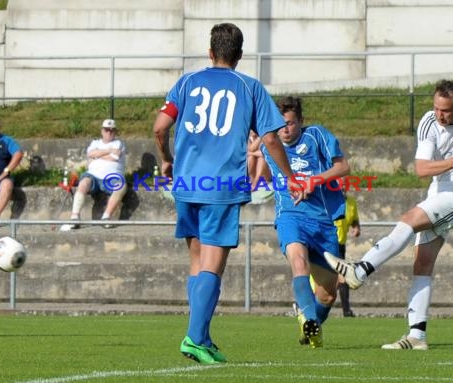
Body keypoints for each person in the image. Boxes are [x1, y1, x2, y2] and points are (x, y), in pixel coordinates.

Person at [153, 23, 302, 364]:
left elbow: (160, 128)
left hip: (187, 183)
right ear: (240, 55)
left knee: (196, 261)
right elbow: (270, 139)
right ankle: (194, 338)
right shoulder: (249, 86)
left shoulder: (187, 82)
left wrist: (166, 160)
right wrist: (290, 176)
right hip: (222, 184)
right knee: (213, 266)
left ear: (210, 52)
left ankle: (202, 337)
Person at [325, 79, 453, 350]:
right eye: (436, 108)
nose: (440, 115)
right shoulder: (429, 123)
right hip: (438, 192)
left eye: (446, 111)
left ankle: (361, 270)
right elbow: (421, 169)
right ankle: (417, 336)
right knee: (422, 264)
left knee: (409, 219)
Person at [262, 95, 350, 348]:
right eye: (280, 125)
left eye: (290, 123)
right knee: (298, 263)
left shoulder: (317, 136)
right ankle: (309, 318)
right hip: (290, 216)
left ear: (301, 121)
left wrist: (316, 180)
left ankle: (311, 327)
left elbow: (343, 167)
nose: (285, 130)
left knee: (328, 292)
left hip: (323, 221)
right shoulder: (270, 144)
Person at [60, 119, 127, 231]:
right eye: (106, 130)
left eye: (112, 130)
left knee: (121, 186)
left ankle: (106, 217)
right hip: (93, 175)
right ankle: (75, 217)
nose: (109, 132)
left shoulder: (119, 144)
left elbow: (113, 158)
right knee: (84, 183)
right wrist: (109, 150)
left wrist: (97, 155)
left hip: (112, 176)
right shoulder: (95, 143)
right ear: (102, 131)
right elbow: (90, 153)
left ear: (115, 132)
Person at [334, 191, 361, 317]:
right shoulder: (328, 198)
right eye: (340, 183)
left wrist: (356, 228)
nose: (343, 186)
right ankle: (347, 311)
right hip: (327, 243)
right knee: (341, 276)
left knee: (340, 277)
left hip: (340, 245)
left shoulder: (351, 202)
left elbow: (354, 220)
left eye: (345, 183)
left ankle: (346, 310)